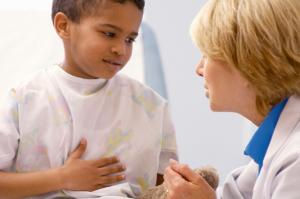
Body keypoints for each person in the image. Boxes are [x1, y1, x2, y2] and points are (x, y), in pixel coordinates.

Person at [0, 0, 178, 198]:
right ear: (63, 26)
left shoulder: (151, 107)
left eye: (130, 39)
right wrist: (62, 178)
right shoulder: (25, 99)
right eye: (109, 34)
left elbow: (166, 188)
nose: (121, 49)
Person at [163, 0, 300, 198]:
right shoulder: (272, 146)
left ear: (248, 64)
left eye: (207, 55)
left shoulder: (295, 158)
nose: (199, 69)